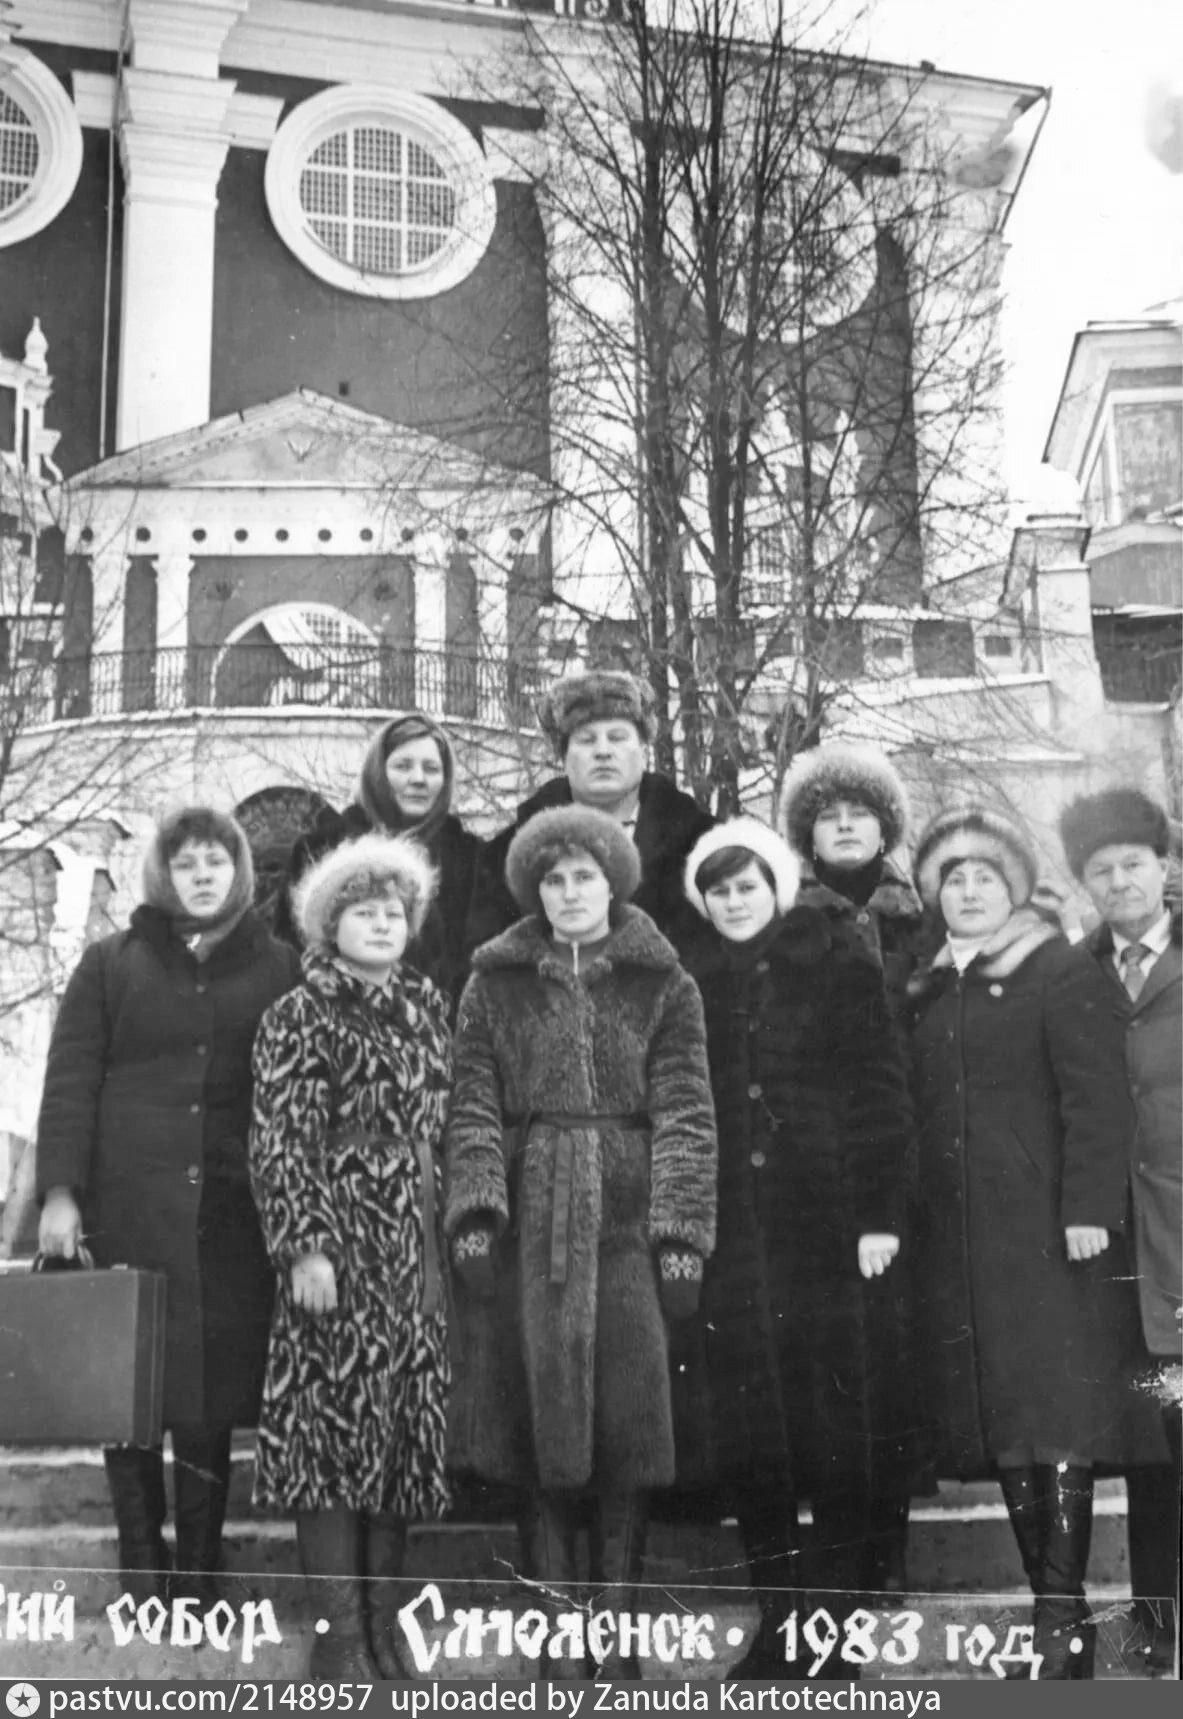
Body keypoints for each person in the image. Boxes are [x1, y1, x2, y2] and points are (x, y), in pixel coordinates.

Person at [445, 805, 717, 1679]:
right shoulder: (492, 983)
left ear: (613, 883)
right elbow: (471, 1104)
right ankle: (557, 1636)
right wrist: (477, 1212)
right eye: (553, 880)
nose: (569, 892)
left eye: (584, 877)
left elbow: (686, 1113)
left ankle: (620, 1635)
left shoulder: (663, 982)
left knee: (628, 1423)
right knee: (538, 1421)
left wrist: (679, 1235)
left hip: (627, 1218)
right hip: (532, 1218)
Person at [907, 806, 1165, 1679]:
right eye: (953, 877)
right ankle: (1060, 1609)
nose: (969, 889)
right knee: (1009, 1428)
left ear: (1013, 887)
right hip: (965, 1245)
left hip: (1053, 1240)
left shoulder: (1055, 967)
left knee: (1055, 1421)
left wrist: (1087, 1205)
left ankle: (1058, 1618)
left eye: (984, 875)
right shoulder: (928, 984)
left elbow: (1097, 1097)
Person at [36, 808, 300, 1605]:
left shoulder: (278, 966)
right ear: (163, 874)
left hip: (229, 1214)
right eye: (187, 863)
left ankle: (199, 1576)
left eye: (217, 860)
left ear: (239, 871)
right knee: (127, 1389)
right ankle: (143, 1570)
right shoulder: (110, 963)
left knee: (207, 1399)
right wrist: (60, 1193)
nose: (203, 874)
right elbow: (71, 1079)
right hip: (128, 1206)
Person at [681, 818, 915, 1678]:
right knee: (754, 1438)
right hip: (736, 1238)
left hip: (826, 1229)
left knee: (834, 1429)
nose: (734, 901)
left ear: (775, 888)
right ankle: (779, 1621)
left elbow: (878, 1092)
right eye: (718, 889)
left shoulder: (836, 963)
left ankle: (835, 1628)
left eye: (746, 885)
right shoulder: (693, 979)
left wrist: (877, 1216)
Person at [249, 833, 453, 1680]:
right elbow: (280, 1139)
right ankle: (338, 1637)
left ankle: (381, 1625)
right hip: (340, 1246)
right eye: (362, 910)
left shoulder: (427, 1006)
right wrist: (307, 1246)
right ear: (329, 925)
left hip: (417, 1248)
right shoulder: (298, 1013)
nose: (380, 922)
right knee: (330, 1436)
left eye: (393, 911)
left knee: (401, 1434)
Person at [780, 741, 929, 1592]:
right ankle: (842, 1552)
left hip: (911, 1158)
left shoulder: (919, 919)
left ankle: (888, 1546)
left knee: (897, 1358)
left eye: (858, 813)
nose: (843, 826)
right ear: (806, 833)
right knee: (839, 1363)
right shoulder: (788, 921)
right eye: (827, 815)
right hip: (830, 1164)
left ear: (884, 827)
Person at [1060, 787, 1181, 1678]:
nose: (1118, 881)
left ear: (1163, 865)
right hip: (1119, 1250)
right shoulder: (1072, 974)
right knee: (1152, 1442)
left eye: (1132, 862)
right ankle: (1156, 1617)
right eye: (1099, 869)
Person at [464, 670, 714, 960]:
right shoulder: (509, 855)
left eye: (618, 737)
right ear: (563, 757)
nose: (603, 751)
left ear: (644, 751)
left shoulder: (699, 845)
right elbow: (486, 963)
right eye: (586, 740)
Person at [276, 711, 481, 1007]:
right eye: (403, 766)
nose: (418, 779)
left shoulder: (469, 856)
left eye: (432, 768)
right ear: (378, 772)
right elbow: (292, 955)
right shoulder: (324, 850)